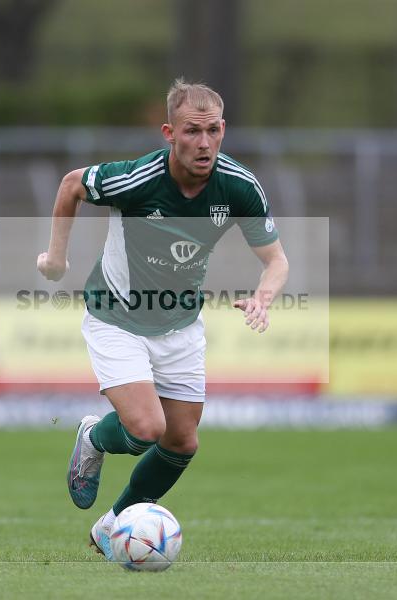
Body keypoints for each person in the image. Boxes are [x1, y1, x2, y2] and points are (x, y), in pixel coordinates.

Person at [36, 78, 289, 559]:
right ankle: (93, 435)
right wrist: (55, 258)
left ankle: (112, 526)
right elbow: (72, 184)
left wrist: (263, 296)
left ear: (223, 130)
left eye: (213, 130)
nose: (205, 143)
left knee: (182, 441)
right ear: (169, 132)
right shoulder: (137, 178)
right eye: (193, 132)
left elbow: (277, 260)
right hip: (117, 317)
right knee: (146, 429)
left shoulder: (238, 185)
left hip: (180, 325)